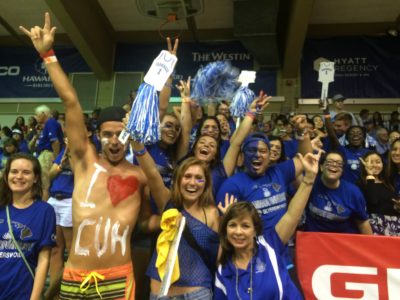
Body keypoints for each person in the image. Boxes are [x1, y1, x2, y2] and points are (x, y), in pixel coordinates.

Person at [20, 13, 148, 299]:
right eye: (108, 134)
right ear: (97, 136)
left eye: (121, 134)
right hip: (74, 277)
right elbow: (71, 100)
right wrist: (48, 54)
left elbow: (149, 219)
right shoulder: (84, 161)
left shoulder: (139, 175)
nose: (115, 141)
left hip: (116, 280)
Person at [214, 151, 320, 300]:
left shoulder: (269, 244)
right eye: (232, 225)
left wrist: (308, 180)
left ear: (255, 230)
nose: (238, 232)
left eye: (245, 226)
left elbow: (291, 215)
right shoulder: (223, 271)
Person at [132, 140, 220, 299]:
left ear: (206, 183)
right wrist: (136, 144)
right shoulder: (167, 202)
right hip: (161, 293)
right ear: (178, 181)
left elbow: (219, 259)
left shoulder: (212, 214)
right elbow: (152, 173)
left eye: (199, 178)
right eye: (187, 176)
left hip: (197, 294)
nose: (193, 182)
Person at [0, 153, 56, 299]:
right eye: (14, 171)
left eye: (26, 172)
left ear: (36, 178)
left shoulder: (45, 211)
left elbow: (44, 259)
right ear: (6, 176)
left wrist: (35, 297)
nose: (19, 177)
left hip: (22, 291)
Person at [304, 151, 373, 234]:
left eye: (339, 164)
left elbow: (362, 223)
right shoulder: (310, 184)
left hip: (341, 241)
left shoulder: (353, 192)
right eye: (330, 162)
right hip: (313, 239)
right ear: (321, 167)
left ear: (342, 170)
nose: (334, 165)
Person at [358, 151, 400, 235]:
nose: (374, 165)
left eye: (378, 162)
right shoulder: (360, 183)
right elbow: (373, 201)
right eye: (370, 162)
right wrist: (370, 176)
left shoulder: (389, 182)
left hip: (395, 224)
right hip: (374, 224)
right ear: (364, 165)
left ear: (383, 164)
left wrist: (397, 206)